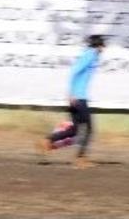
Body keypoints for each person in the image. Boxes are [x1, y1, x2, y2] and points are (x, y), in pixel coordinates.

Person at [38, 35, 105, 169]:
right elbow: (74, 72)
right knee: (89, 129)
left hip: (77, 97)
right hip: (79, 98)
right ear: (98, 45)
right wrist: (71, 93)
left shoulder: (89, 54)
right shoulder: (90, 54)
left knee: (74, 130)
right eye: (102, 45)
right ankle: (80, 159)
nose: (104, 47)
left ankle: (47, 141)